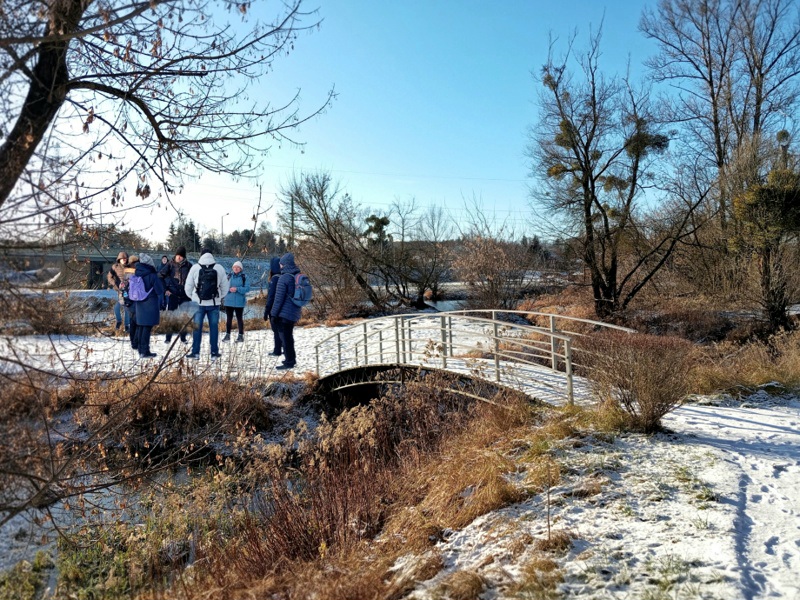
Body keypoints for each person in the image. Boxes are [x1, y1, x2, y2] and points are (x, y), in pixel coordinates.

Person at [184, 248, 229, 359]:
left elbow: (188, 287)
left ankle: (195, 353)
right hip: (214, 304)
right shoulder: (219, 268)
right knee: (213, 328)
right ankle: (214, 353)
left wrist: (194, 298)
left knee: (197, 328)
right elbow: (225, 287)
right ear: (212, 255)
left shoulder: (195, 268)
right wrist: (219, 297)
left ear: (201, 255)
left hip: (198, 304)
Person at [270, 252, 303, 370]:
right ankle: (290, 359)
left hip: (284, 314)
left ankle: (289, 361)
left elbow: (278, 299)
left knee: (285, 338)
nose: (280, 266)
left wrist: (273, 315)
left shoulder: (284, 278)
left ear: (284, 264)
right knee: (289, 337)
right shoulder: (297, 276)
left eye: (281, 263)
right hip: (294, 312)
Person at [131, 253, 163, 359]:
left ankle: (141, 350)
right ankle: (145, 351)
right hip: (150, 304)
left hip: (139, 304)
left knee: (141, 326)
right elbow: (159, 290)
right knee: (147, 328)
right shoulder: (152, 275)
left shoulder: (136, 273)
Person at [160, 246, 192, 344]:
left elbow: (194, 279)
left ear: (184, 257)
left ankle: (183, 338)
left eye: (181, 256)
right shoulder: (170, 264)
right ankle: (168, 338)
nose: (178, 257)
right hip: (173, 294)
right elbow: (160, 276)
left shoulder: (189, 265)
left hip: (185, 295)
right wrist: (165, 289)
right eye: (177, 255)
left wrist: (191, 291)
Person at [222, 260, 250, 343]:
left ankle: (240, 336)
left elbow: (247, 288)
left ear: (241, 269)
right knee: (229, 319)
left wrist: (237, 289)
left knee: (239, 319)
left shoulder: (244, 277)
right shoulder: (228, 276)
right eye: (234, 267)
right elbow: (223, 287)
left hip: (239, 302)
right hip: (229, 301)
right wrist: (229, 290)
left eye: (238, 267)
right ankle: (227, 335)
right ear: (232, 268)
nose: (236, 268)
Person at [263, 256, 283, 356]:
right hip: (283, 308)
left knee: (276, 330)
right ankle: (284, 348)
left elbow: (271, 297)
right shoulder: (284, 277)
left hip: (274, 309)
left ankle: (277, 350)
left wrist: (266, 311)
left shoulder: (274, 279)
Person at [107, 251, 130, 332]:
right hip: (119, 290)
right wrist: (114, 284)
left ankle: (127, 325)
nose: (124, 260)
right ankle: (119, 321)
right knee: (117, 306)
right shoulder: (115, 267)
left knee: (127, 307)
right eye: (122, 259)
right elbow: (109, 277)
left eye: (125, 259)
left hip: (128, 290)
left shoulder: (130, 267)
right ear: (119, 259)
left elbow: (134, 277)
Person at [125, 255, 140, 350]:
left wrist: (126, 300)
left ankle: (133, 342)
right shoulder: (138, 272)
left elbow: (124, 289)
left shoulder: (127, 272)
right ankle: (135, 342)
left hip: (131, 301)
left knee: (133, 323)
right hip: (137, 301)